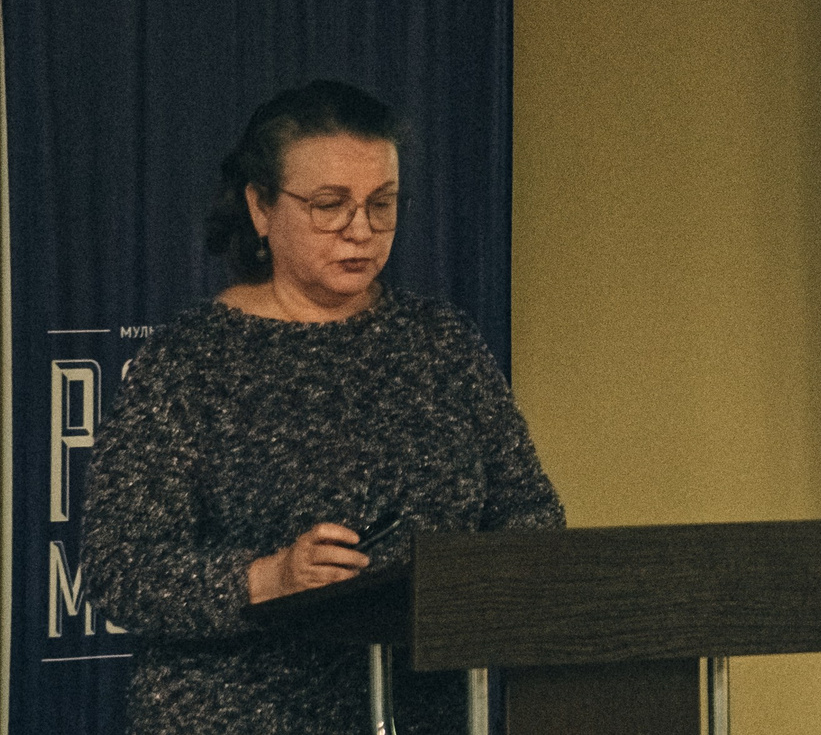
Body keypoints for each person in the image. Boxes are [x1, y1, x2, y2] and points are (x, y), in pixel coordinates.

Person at [81, 80, 564, 734]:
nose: (360, 230)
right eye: (330, 205)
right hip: (236, 714)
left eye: (382, 204)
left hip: (422, 710)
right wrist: (270, 577)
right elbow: (120, 568)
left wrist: (474, 577)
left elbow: (530, 509)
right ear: (260, 206)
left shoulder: (441, 342)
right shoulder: (191, 361)